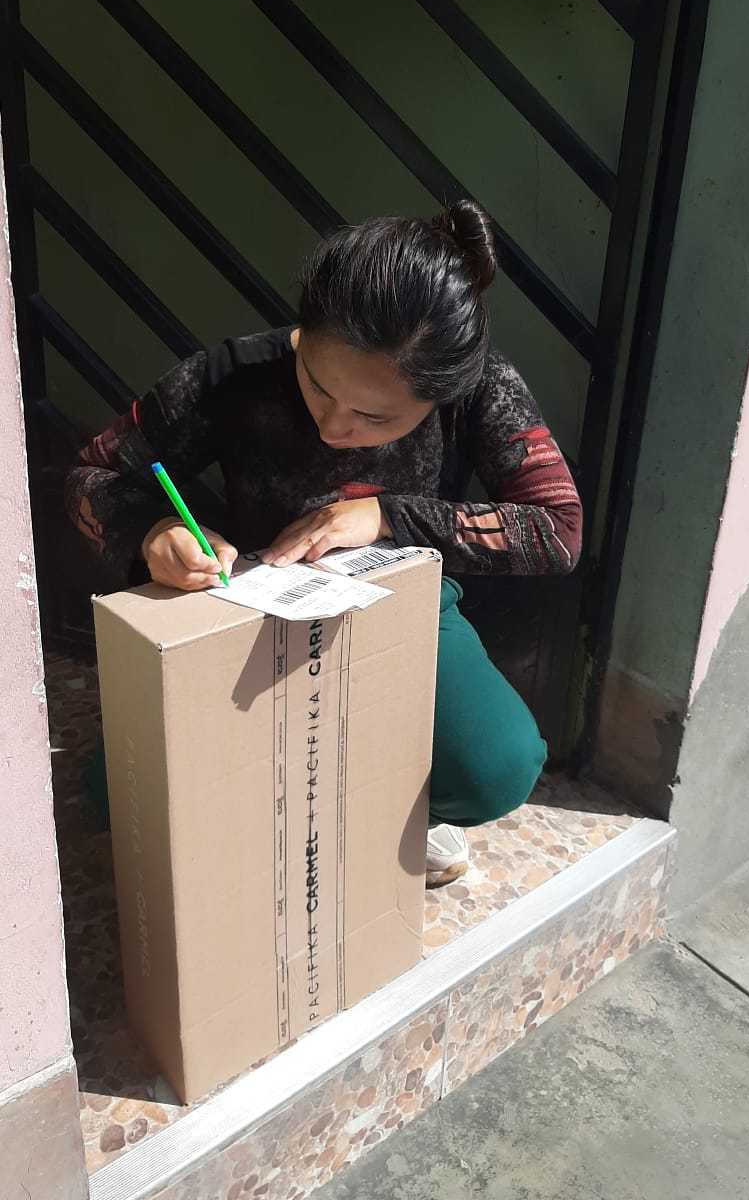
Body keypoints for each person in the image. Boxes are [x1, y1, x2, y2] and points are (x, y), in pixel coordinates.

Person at [66, 200, 582, 887]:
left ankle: (373, 808)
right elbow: (92, 474)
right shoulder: (233, 375)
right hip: (251, 609)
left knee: (495, 768)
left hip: (402, 605)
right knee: (118, 789)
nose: (334, 427)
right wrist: (152, 531)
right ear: (303, 334)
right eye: (316, 385)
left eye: (375, 417)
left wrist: (386, 517)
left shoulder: (477, 384)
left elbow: (557, 529)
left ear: (438, 396)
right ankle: (284, 812)